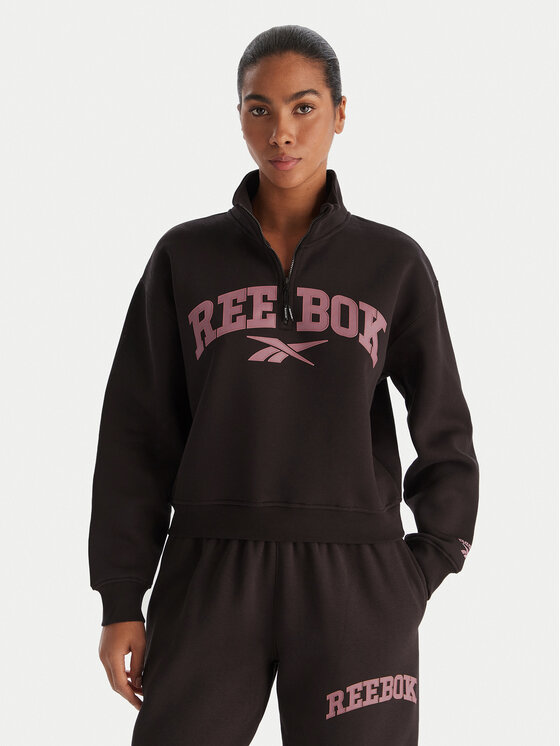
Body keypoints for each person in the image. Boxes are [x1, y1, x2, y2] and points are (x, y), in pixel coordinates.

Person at [88, 24, 479, 746]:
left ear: (340, 112)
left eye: (303, 107)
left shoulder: (392, 262)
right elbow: (137, 433)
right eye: (259, 109)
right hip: (208, 570)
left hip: (357, 580)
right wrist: (120, 598)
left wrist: (426, 562)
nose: (281, 133)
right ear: (238, 116)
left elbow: (444, 425)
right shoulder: (185, 256)